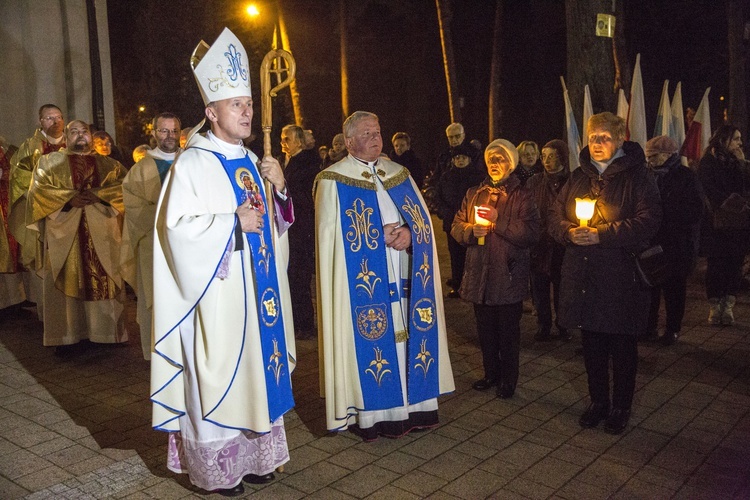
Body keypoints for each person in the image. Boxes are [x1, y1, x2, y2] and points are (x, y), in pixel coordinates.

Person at [150, 28, 295, 497]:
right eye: (236, 104)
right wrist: (230, 223)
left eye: (248, 103)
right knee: (219, 376)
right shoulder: (192, 164)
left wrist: (282, 191)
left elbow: (271, 230)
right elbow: (175, 232)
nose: (248, 111)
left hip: (259, 296)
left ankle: (254, 457)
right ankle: (218, 470)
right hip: (216, 299)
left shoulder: (254, 161)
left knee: (257, 370)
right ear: (211, 113)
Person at [315, 110, 454, 441]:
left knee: (410, 335)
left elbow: (421, 222)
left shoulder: (398, 173)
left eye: (377, 131)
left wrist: (410, 233)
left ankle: (417, 406)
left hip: (404, 272)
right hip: (364, 285)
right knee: (376, 342)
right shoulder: (332, 180)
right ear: (348, 142)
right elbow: (330, 242)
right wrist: (377, 238)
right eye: (365, 133)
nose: (375, 137)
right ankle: (376, 415)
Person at [549, 112, 661, 435]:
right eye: (593, 137)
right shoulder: (578, 176)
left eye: (604, 137)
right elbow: (554, 215)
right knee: (592, 342)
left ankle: (621, 406)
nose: (597, 143)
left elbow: (649, 220)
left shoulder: (638, 176)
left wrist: (604, 234)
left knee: (622, 346)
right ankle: (598, 401)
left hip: (620, 276)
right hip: (583, 275)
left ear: (620, 140)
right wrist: (570, 232)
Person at [26, 120, 128, 355]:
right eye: (74, 132)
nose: (80, 136)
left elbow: (124, 189)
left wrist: (98, 195)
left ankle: (105, 334)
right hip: (65, 232)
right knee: (66, 277)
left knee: (105, 276)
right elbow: (38, 192)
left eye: (84, 132)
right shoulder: (50, 163)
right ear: (66, 136)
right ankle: (67, 337)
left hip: (102, 231)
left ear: (91, 136)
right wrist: (68, 201)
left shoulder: (110, 165)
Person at [451, 140, 541, 399]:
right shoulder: (474, 193)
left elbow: (531, 233)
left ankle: (508, 379)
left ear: (511, 164)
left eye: (500, 159)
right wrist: (470, 231)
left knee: (508, 333)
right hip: (479, 273)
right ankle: (491, 373)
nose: (494, 164)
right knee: (485, 330)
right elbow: (457, 224)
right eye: (491, 159)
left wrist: (497, 221)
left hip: (507, 274)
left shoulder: (522, 195)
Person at [122, 112, 181, 360]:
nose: (169, 136)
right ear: (155, 133)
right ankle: (158, 351)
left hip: (189, 243)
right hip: (154, 242)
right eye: (164, 130)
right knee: (156, 295)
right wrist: (167, 218)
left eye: (174, 130)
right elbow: (133, 208)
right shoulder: (140, 169)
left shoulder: (191, 161)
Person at [643, 136, 703, 344]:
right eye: (648, 156)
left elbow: (695, 210)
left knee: (674, 290)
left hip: (677, 243)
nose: (650, 160)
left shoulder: (686, 176)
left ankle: (672, 329)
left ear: (668, 154)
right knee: (650, 287)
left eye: (654, 156)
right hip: (651, 242)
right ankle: (648, 327)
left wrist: (665, 211)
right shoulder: (646, 176)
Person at [8, 104, 66, 313]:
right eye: (49, 118)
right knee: (45, 264)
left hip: (73, 215)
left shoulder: (73, 143)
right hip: (42, 213)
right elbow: (19, 179)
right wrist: (44, 200)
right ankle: (49, 314)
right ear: (40, 121)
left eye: (59, 117)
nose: (56, 121)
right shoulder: (29, 147)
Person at [697, 125, 749, 326]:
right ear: (724, 140)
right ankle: (714, 305)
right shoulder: (709, 162)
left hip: (737, 224)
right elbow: (708, 190)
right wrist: (729, 202)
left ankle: (728, 305)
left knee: (735, 264)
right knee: (717, 265)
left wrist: (742, 164)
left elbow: (745, 186)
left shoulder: (739, 162)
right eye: (736, 139)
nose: (739, 143)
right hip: (715, 224)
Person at [527, 139, 572, 341]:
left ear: (562, 157)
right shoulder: (534, 182)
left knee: (563, 288)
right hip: (539, 244)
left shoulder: (571, 182)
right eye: (543, 156)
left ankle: (564, 324)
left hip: (562, 244)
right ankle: (543, 324)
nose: (546, 160)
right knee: (540, 287)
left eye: (552, 155)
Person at [280, 124, 319, 338]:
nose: (283, 142)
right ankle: (293, 320)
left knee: (300, 276)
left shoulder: (308, 163)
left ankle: (304, 324)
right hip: (287, 227)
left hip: (301, 226)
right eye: (282, 138)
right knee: (290, 274)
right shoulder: (283, 160)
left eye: (287, 138)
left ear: (299, 141)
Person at [435, 144, 485, 298]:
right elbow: (438, 198)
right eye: (457, 158)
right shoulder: (446, 177)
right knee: (455, 256)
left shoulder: (477, 177)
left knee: (473, 255)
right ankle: (458, 285)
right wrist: (446, 213)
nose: (460, 161)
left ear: (469, 159)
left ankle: (474, 285)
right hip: (452, 223)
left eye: (463, 158)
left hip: (472, 222)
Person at [0, 137, 25, 315]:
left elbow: (16, 169)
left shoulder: (7, 148)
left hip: (6, 204)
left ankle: (14, 300)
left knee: (9, 250)